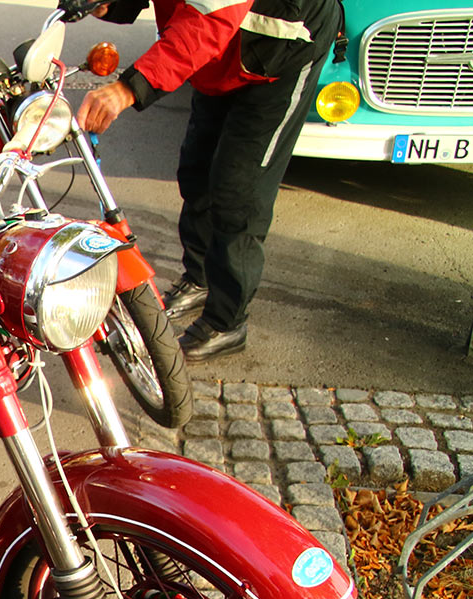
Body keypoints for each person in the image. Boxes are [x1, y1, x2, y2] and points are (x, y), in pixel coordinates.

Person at [75, 0, 344, 360]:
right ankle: (199, 279)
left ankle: (226, 322)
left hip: (283, 50)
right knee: (196, 171)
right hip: (221, 55)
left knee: (239, 191)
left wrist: (127, 88)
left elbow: (204, 25)